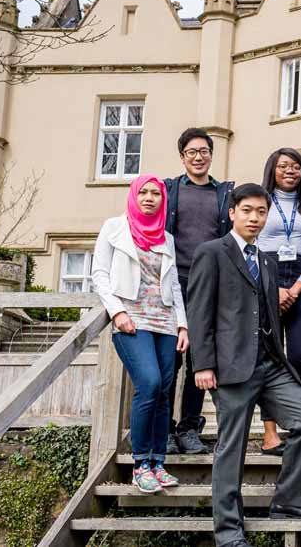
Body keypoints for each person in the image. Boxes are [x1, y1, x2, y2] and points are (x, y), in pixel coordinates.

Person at [189, 184, 301, 546]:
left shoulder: (266, 258)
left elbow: (269, 313)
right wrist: (202, 364)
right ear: (233, 213)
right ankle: (227, 531)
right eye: (248, 211)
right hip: (230, 367)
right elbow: (200, 312)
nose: (255, 218)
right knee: (231, 448)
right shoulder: (212, 253)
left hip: (269, 362)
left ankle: (287, 501)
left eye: (261, 212)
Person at [91, 175, 189, 494]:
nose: (149, 198)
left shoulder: (166, 238)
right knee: (149, 383)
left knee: (164, 391)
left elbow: (174, 284)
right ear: (134, 195)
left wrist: (183, 324)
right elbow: (100, 274)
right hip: (132, 319)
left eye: (156, 194)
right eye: (144, 192)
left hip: (164, 320)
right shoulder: (114, 228)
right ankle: (140, 464)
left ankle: (158, 463)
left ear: (163, 200)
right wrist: (116, 311)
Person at [163, 127, 233, 455]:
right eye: (192, 151)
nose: (198, 156)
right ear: (182, 157)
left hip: (209, 286)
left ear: (211, 155)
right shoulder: (169, 190)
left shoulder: (224, 194)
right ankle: (163, 429)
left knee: (200, 359)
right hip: (173, 285)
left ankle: (189, 427)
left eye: (204, 151)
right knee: (169, 361)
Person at [257, 148, 301, 456]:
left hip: (299, 279)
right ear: (272, 169)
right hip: (264, 277)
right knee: (269, 357)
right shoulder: (259, 204)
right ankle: (270, 433)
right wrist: (272, 290)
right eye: (283, 165)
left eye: (296, 167)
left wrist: (296, 288)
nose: (290, 171)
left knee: (300, 356)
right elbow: (248, 245)